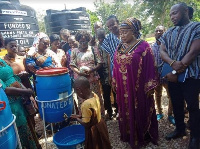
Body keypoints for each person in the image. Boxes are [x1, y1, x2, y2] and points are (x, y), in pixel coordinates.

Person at [112, 17, 158, 148]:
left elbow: (150, 66)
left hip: (138, 87)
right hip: (122, 87)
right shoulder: (119, 46)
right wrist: (114, 81)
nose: (122, 35)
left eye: (125, 32)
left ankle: (142, 135)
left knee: (139, 108)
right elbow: (115, 66)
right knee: (124, 109)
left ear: (134, 31)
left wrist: (150, 85)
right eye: (121, 32)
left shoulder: (144, 46)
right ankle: (128, 134)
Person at [160, 3, 200, 149]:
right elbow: (162, 50)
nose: (172, 17)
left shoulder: (197, 27)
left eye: (175, 13)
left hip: (190, 76)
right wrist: (172, 63)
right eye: (170, 14)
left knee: (193, 106)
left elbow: (194, 52)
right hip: (172, 75)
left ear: (186, 11)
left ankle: (196, 136)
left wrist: (176, 72)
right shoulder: (169, 32)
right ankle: (180, 129)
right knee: (176, 103)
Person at [0, 57, 39, 148]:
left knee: (27, 125)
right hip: (10, 102)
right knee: (18, 129)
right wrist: (25, 91)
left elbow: (12, 77)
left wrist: (24, 89)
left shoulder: (1, 60)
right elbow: (5, 89)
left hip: (19, 98)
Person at [71, 76, 112, 149]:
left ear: (79, 90)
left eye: (76, 92)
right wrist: (80, 116)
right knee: (103, 144)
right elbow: (93, 114)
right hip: (101, 124)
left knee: (94, 145)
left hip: (93, 130)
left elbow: (86, 124)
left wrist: (76, 119)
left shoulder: (85, 104)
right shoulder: (94, 95)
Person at [70, 31, 104, 115]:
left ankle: (98, 117)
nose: (83, 43)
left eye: (85, 41)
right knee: (83, 99)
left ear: (88, 40)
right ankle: (86, 117)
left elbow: (100, 63)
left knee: (94, 97)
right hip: (81, 80)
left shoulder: (94, 49)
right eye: (81, 41)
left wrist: (91, 70)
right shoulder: (74, 51)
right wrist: (79, 73)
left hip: (92, 79)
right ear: (78, 41)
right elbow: (72, 65)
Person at [151, 26, 175, 124]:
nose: (158, 32)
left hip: (167, 75)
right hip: (157, 75)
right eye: (156, 31)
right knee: (157, 95)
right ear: (154, 34)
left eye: (161, 31)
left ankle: (170, 114)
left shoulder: (169, 45)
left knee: (171, 95)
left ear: (164, 32)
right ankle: (160, 113)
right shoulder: (152, 47)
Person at [101, 15, 120, 116]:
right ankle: (119, 111)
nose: (111, 27)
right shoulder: (108, 38)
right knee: (117, 92)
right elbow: (108, 57)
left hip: (130, 69)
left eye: (112, 24)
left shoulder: (128, 33)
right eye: (108, 26)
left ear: (118, 22)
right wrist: (109, 75)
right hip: (116, 69)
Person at [97, 28, 113, 120]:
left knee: (114, 92)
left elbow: (109, 58)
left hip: (109, 71)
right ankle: (109, 112)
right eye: (98, 38)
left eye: (102, 37)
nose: (100, 39)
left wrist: (110, 75)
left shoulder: (108, 43)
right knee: (105, 93)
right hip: (102, 72)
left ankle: (118, 111)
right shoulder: (98, 45)